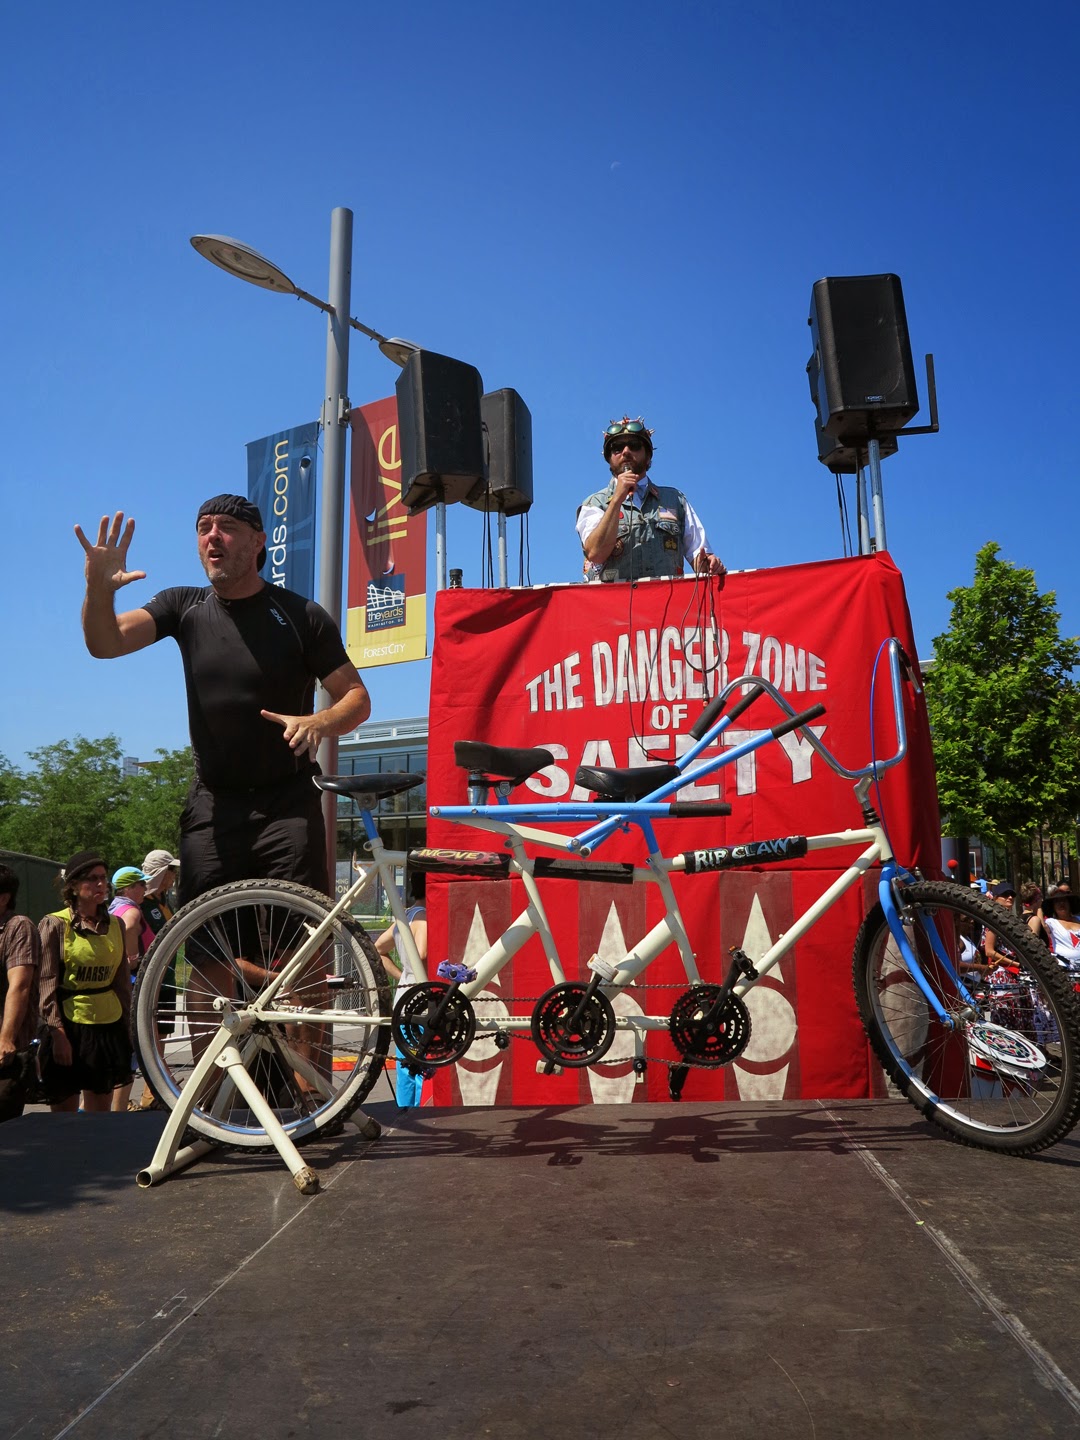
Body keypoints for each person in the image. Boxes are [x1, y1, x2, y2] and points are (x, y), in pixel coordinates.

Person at [75, 496, 371, 904]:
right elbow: (105, 643)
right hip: (212, 804)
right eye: (204, 528)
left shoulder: (302, 615)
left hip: (287, 804)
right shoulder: (183, 606)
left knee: (301, 933)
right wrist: (98, 588)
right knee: (204, 935)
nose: (213, 536)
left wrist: (318, 722)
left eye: (227, 527)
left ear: (258, 542)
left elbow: (356, 697)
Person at [576, 416, 726, 584]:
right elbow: (595, 553)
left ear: (648, 456)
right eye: (617, 448)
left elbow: (699, 555)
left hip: (666, 599)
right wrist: (617, 499)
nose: (626, 451)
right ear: (609, 459)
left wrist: (708, 564)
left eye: (634, 445)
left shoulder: (675, 500)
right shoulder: (594, 504)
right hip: (612, 600)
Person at [37, 852, 132, 1113]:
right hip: (69, 1026)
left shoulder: (117, 924)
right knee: (64, 1115)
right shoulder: (55, 924)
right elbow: (45, 984)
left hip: (108, 1025)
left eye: (103, 878)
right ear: (73, 886)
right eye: (92, 879)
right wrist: (57, 1034)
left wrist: (129, 1027)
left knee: (99, 1115)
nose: (101, 884)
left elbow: (122, 982)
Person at [373, 872, 428, 1107]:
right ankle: (423, 1111)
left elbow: (378, 949)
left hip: (403, 999)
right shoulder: (424, 918)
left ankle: (404, 1112)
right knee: (424, 1065)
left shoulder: (405, 917)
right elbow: (422, 954)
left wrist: (402, 976)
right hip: (422, 1004)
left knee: (406, 1067)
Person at [108, 865, 156, 1111]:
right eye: (141, 884)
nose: (145, 889)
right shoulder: (132, 911)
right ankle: (119, 1109)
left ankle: (107, 1106)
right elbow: (128, 929)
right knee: (130, 1049)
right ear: (128, 888)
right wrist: (132, 957)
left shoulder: (113, 907)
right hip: (132, 984)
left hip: (118, 985)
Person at [0, 864, 42, 1123]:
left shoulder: (18, 928)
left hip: (7, 1054)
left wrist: (6, 1038)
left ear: (3, 898)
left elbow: (20, 986)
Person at [1041, 888, 1080, 977]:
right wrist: (1039, 907)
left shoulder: (1079, 919)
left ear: (1069, 903)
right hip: (1065, 971)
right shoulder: (1051, 922)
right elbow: (1041, 926)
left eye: (1064, 900)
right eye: (1057, 902)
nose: (1061, 903)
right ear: (1053, 907)